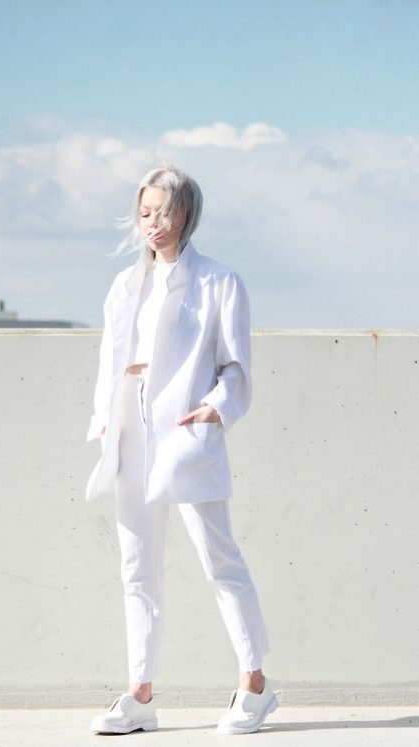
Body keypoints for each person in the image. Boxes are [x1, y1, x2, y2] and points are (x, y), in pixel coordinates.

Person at [86, 164, 277, 735]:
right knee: (136, 566)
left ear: (186, 214)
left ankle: (255, 686)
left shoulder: (220, 282)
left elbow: (236, 366)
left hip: (187, 429)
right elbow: (109, 360)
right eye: (145, 212)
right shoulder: (125, 285)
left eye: (165, 212)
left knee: (220, 559)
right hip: (131, 429)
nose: (154, 223)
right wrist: (104, 420)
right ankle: (140, 696)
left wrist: (217, 407)